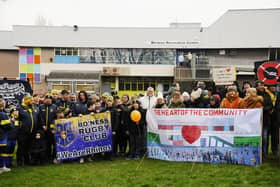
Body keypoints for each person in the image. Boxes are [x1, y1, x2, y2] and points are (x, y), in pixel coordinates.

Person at [17, 93, 39, 166]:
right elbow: (16, 119)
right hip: (23, 132)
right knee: (21, 147)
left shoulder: (33, 108)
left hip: (32, 132)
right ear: (26, 100)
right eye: (30, 99)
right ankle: (19, 161)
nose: (32, 101)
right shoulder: (20, 108)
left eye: (32, 99)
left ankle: (27, 161)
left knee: (29, 147)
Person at [255, 81, 273, 158]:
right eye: (259, 85)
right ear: (256, 87)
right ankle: (256, 152)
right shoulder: (254, 95)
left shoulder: (267, 95)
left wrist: (263, 109)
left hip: (265, 119)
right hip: (255, 120)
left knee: (265, 137)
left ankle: (264, 153)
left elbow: (271, 106)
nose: (261, 87)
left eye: (262, 85)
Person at [38, 94, 57, 163]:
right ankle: (46, 157)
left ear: (51, 100)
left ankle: (54, 157)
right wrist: (43, 125)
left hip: (51, 130)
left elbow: (55, 118)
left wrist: (52, 127)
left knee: (54, 144)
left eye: (50, 99)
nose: (48, 100)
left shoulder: (54, 107)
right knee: (46, 144)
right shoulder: (40, 107)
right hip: (43, 129)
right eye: (47, 99)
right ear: (44, 99)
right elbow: (40, 117)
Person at [0, 99, 12, 173]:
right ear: (3, 105)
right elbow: (8, 126)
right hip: (1, 136)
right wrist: (11, 121)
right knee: (2, 152)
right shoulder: (2, 114)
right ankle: (1, 167)